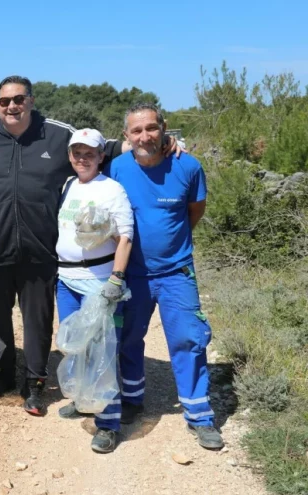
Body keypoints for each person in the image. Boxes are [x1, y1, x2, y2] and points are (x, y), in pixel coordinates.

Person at [0, 76, 181, 416]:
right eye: (4, 101)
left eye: (19, 99)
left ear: (31, 101)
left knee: (37, 320)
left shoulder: (56, 134)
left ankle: (34, 382)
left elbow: (103, 148)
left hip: (41, 250)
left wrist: (161, 143)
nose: (12, 106)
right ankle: (3, 373)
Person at [107, 103, 224, 450]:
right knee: (128, 339)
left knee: (189, 339)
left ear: (164, 128)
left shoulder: (187, 165)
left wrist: (173, 244)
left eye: (151, 128)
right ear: (126, 135)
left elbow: (195, 211)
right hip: (133, 275)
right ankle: (132, 400)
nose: (145, 136)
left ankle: (199, 416)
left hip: (176, 272)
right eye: (137, 130)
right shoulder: (117, 167)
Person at [53, 129, 133, 453]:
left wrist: (115, 279)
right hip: (66, 281)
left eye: (90, 153)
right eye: (76, 153)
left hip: (98, 283)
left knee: (102, 352)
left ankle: (109, 424)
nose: (82, 158)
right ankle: (85, 402)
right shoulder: (69, 185)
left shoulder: (112, 190)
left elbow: (125, 238)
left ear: (102, 156)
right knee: (76, 347)